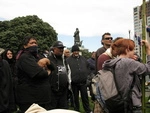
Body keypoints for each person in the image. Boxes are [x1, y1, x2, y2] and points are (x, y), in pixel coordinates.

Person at [102, 38, 150, 113]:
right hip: (132, 103)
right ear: (127, 49)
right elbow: (148, 68)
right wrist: (148, 51)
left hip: (117, 102)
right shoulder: (128, 63)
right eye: (133, 50)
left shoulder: (112, 62)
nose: (134, 52)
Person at [15, 36, 53, 113]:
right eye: (31, 43)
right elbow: (38, 73)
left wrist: (47, 61)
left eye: (35, 43)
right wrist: (47, 72)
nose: (34, 45)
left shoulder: (38, 56)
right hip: (30, 98)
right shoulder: (25, 57)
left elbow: (53, 67)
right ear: (25, 46)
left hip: (41, 97)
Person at [67, 45, 92, 113]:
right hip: (74, 83)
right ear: (72, 52)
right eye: (74, 51)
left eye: (77, 51)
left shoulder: (83, 59)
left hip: (83, 82)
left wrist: (87, 76)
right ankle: (76, 110)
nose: (76, 52)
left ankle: (88, 110)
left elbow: (88, 67)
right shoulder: (68, 60)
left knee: (85, 98)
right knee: (75, 98)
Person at [47, 41, 71, 109]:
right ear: (54, 49)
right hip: (52, 92)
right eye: (59, 48)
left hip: (63, 92)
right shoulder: (49, 59)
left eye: (62, 48)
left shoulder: (64, 60)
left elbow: (68, 72)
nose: (61, 50)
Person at [0, 48, 16, 113]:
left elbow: (8, 83)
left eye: (11, 53)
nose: (9, 55)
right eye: (8, 54)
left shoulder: (5, 64)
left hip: (5, 100)